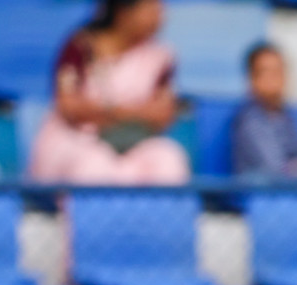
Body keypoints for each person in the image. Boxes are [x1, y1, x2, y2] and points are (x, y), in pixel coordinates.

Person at [28, 0, 189, 185]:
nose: (160, 18)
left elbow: (162, 114)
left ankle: (159, 214)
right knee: (94, 164)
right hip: (77, 141)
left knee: (168, 158)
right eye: (151, 10)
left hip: (133, 142)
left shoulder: (160, 56)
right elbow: (69, 107)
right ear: (123, 12)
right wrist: (132, 112)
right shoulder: (80, 47)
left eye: (160, 11)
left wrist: (110, 112)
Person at [230, 44, 297, 179]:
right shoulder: (249, 121)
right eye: (268, 72)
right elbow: (274, 169)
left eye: (280, 71)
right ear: (252, 79)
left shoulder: (287, 117)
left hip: (289, 194)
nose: (276, 79)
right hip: (260, 197)